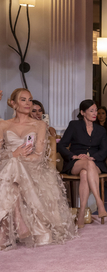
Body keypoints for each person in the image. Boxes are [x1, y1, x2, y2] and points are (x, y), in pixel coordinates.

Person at [0, 88, 77, 250]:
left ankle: (8, 230)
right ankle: (19, 220)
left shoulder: (39, 125)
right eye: (23, 100)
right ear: (13, 103)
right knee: (13, 166)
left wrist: (18, 158)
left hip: (32, 167)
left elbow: (39, 156)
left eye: (30, 99)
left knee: (15, 165)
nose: (28, 103)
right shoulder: (3, 124)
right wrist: (14, 154)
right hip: (8, 166)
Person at [57, 100, 107, 228]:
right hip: (76, 163)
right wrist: (72, 155)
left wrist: (92, 158)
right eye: (91, 111)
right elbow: (62, 146)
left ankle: (81, 215)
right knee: (85, 165)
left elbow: (104, 150)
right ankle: (99, 201)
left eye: (95, 110)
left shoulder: (101, 130)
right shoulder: (74, 125)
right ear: (82, 112)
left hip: (95, 163)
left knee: (85, 173)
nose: (95, 113)